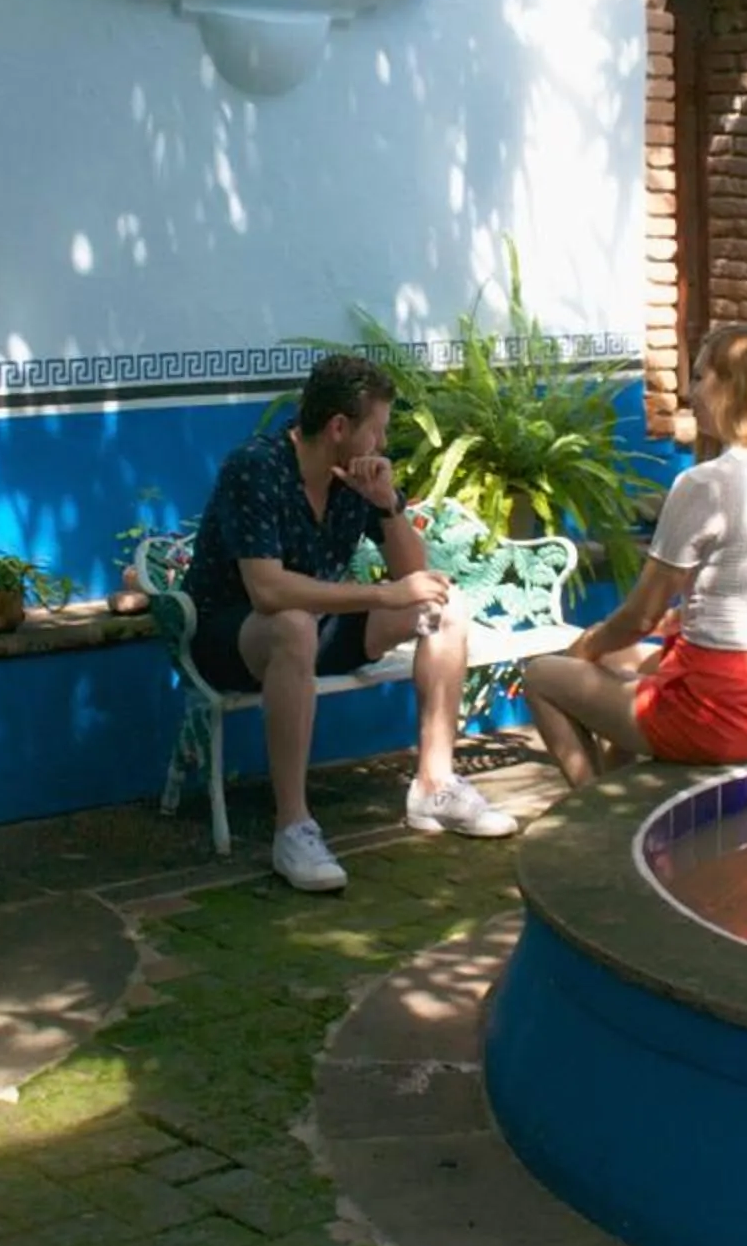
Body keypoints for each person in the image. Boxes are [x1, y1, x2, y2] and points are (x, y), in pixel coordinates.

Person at [183, 351, 518, 892]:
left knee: (443, 606)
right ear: (339, 427)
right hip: (233, 637)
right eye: (378, 430)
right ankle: (292, 827)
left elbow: (417, 574)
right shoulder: (257, 466)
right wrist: (383, 594)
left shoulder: (355, 480)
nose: (381, 446)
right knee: (292, 623)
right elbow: (266, 590)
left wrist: (386, 506)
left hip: (318, 628)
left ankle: (435, 783)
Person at [518, 322, 747, 785]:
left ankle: (592, 806)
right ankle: (623, 789)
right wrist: (679, 622)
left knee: (543, 674)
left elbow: (639, 617)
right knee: (628, 665)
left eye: (701, 377)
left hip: (722, 715)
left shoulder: (708, 483)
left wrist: (587, 644)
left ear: (734, 387)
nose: (691, 390)